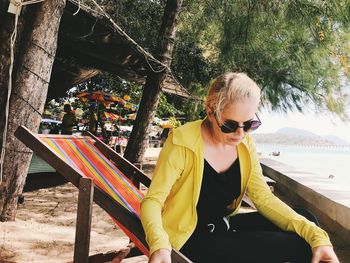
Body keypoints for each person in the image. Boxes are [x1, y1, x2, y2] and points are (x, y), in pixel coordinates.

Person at [140, 72, 339, 263]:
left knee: (307, 219)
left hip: (222, 225)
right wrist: (160, 245)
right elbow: (153, 201)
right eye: (230, 125)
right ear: (210, 112)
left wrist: (318, 236)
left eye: (249, 124)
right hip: (190, 238)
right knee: (297, 245)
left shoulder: (245, 145)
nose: (240, 133)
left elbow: (263, 198)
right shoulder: (182, 142)